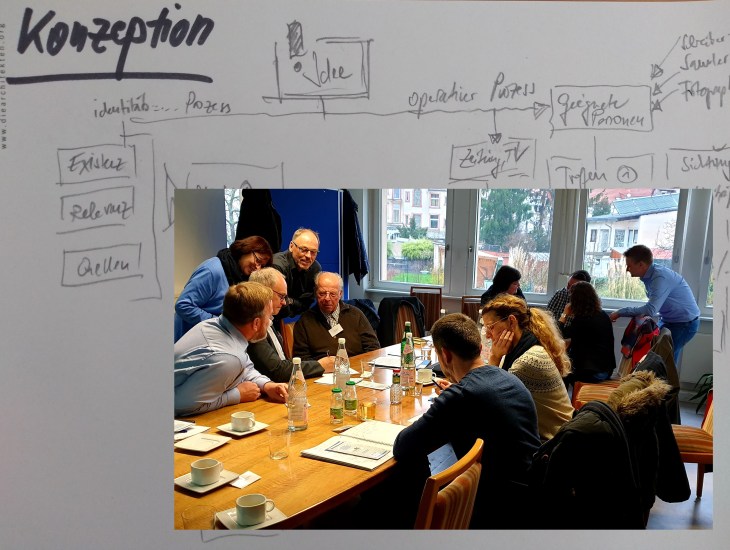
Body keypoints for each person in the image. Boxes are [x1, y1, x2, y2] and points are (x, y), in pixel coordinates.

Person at [390, 313, 541, 529]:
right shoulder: (507, 377)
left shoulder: (462, 396)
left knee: (400, 479)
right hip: (531, 490)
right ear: (479, 348)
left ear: (444, 355)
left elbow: (402, 447)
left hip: (500, 505)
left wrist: (451, 399)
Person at [174, 282, 288, 416]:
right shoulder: (228, 357)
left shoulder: (214, 326)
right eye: (269, 317)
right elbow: (179, 405)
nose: (270, 322)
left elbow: (245, 367)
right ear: (256, 323)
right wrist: (236, 395)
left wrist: (266, 385)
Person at [482, 294, 573, 440]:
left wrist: (494, 358)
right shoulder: (526, 345)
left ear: (511, 321)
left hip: (553, 442)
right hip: (554, 433)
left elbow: (492, 402)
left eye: (491, 327)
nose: (487, 335)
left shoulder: (527, 361)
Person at [609, 244, 700, 366]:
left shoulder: (660, 277)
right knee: (656, 358)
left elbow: (650, 309)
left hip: (684, 324)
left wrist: (620, 312)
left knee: (664, 362)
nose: (627, 269)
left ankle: (664, 379)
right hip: (669, 321)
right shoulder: (650, 276)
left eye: (629, 266)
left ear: (641, 264)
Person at [174, 236, 273, 342]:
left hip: (210, 339)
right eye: (258, 260)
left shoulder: (240, 276)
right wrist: (219, 323)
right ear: (247, 250)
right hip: (188, 341)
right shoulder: (212, 270)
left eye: (261, 265)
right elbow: (183, 305)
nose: (257, 267)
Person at [247, 268, 335, 382]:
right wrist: (320, 365)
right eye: (281, 296)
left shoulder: (269, 320)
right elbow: (277, 371)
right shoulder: (253, 325)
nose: (284, 303)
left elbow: (283, 362)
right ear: (264, 293)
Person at [293, 272, 380, 359]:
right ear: (316, 293)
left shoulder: (356, 315)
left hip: (357, 365)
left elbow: (373, 348)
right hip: (323, 367)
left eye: (332, 294)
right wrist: (319, 365)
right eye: (322, 293)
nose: (327, 298)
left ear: (340, 294)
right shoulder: (304, 322)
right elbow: (301, 359)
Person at [558, 281, 615, 387]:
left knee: (561, 371)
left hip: (592, 373)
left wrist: (565, 314)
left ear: (575, 301)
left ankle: (565, 397)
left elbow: (558, 333)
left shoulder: (582, 320)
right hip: (606, 370)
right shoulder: (603, 315)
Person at [273, 228, 322, 318]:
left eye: (313, 252)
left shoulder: (315, 269)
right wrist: (294, 303)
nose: (308, 256)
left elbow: (306, 305)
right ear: (291, 246)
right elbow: (276, 305)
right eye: (304, 250)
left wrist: (290, 301)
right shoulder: (277, 266)